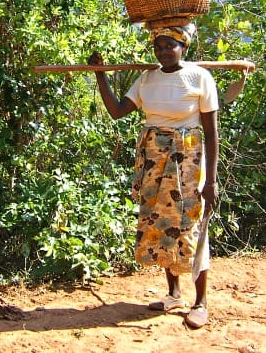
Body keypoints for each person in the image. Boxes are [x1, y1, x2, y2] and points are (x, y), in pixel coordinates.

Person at [87, 25, 219, 328]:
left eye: (169, 45)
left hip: (187, 159)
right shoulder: (147, 78)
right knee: (159, 221)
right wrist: (100, 75)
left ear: (183, 46)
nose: (162, 52)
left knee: (190, 225)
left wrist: (210, 182)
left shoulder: (200, 77)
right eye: (158, 47)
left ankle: (201, 302)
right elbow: (118, 110)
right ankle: (173, 294)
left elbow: (211, 135)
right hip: (153, 159)